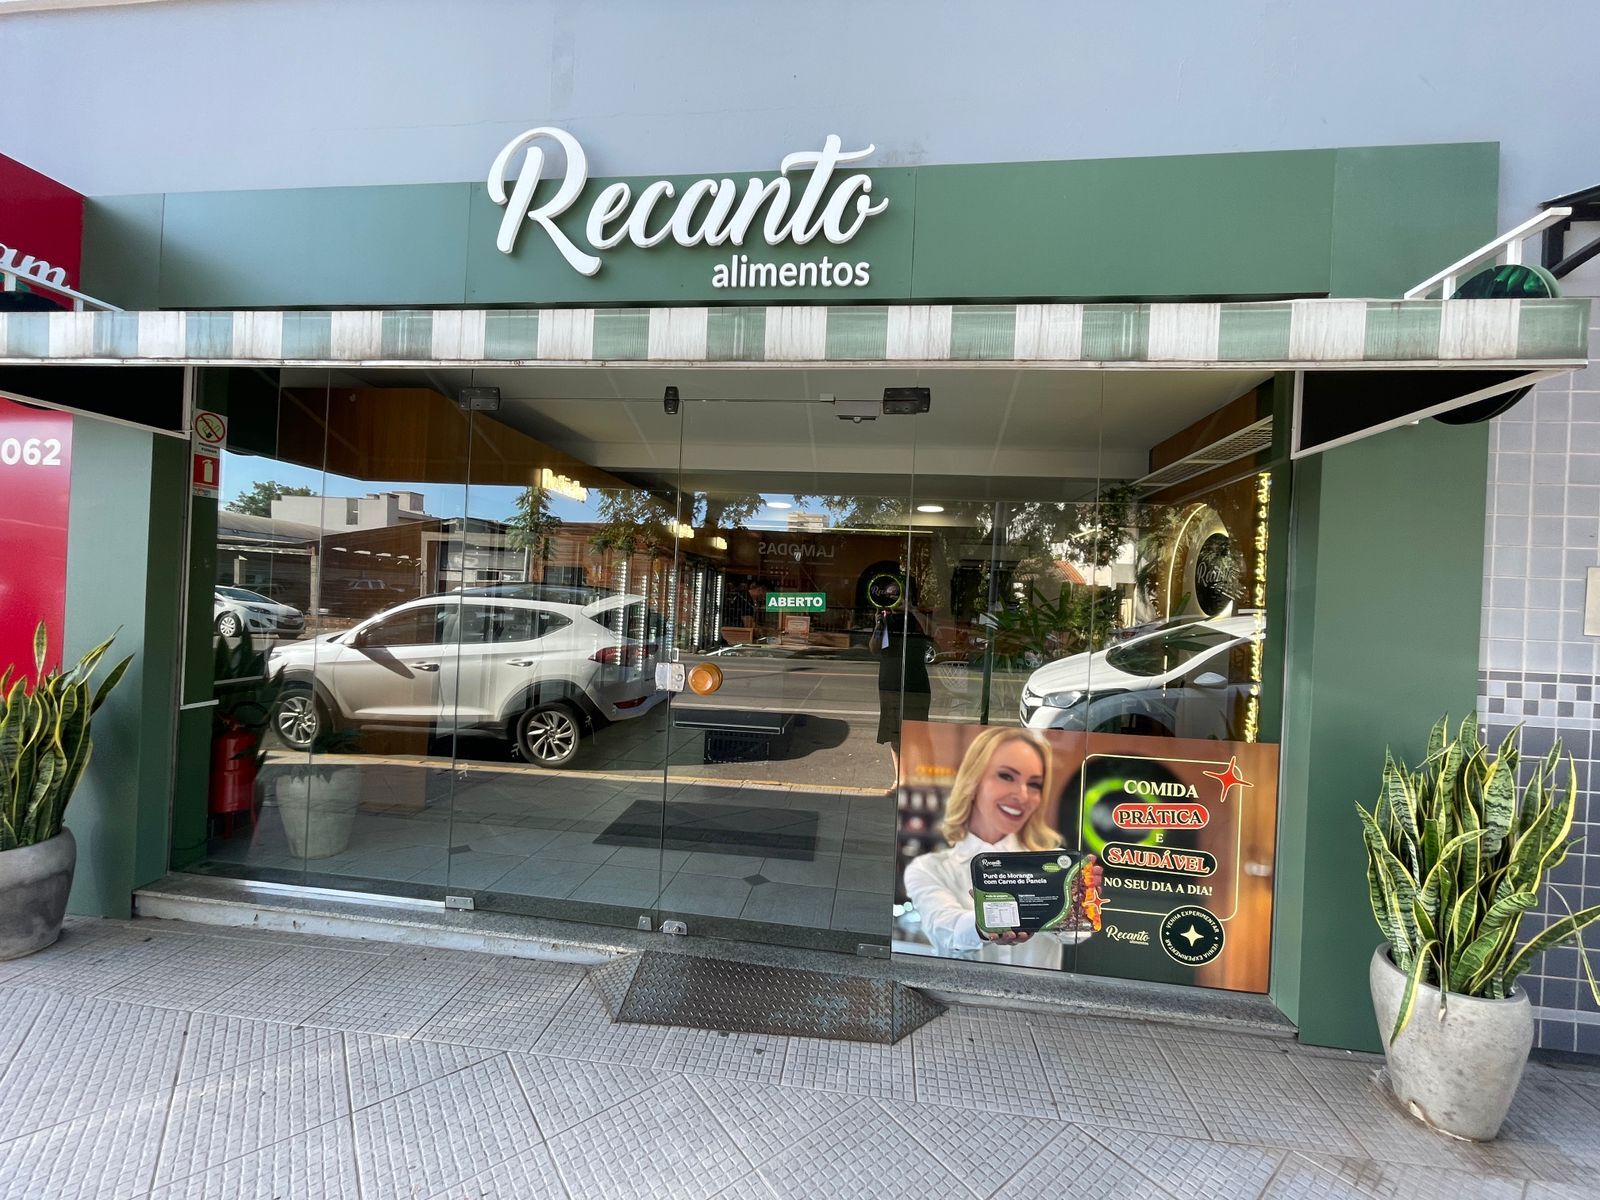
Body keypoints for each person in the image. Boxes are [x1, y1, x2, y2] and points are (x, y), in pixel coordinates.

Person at [903, 726, 1095, 968]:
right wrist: (984, 925)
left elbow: (1077, 934)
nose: (1023, 795)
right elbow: (946, 930)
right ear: (973, 781)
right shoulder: (928, 869)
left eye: (1034, 784)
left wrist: (1080, 901)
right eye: (1006, 776)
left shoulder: (1056, 866)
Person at [874, 604, 933, 781]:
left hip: (915, 684)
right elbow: (874, 648)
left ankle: (923, 777)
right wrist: (878, 624)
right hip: (890, 682)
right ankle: (900, 779)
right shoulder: (886, 619)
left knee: (919, 733)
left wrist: (912, 609)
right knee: (894, 733)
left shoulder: (917, 618)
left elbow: (933, 632)